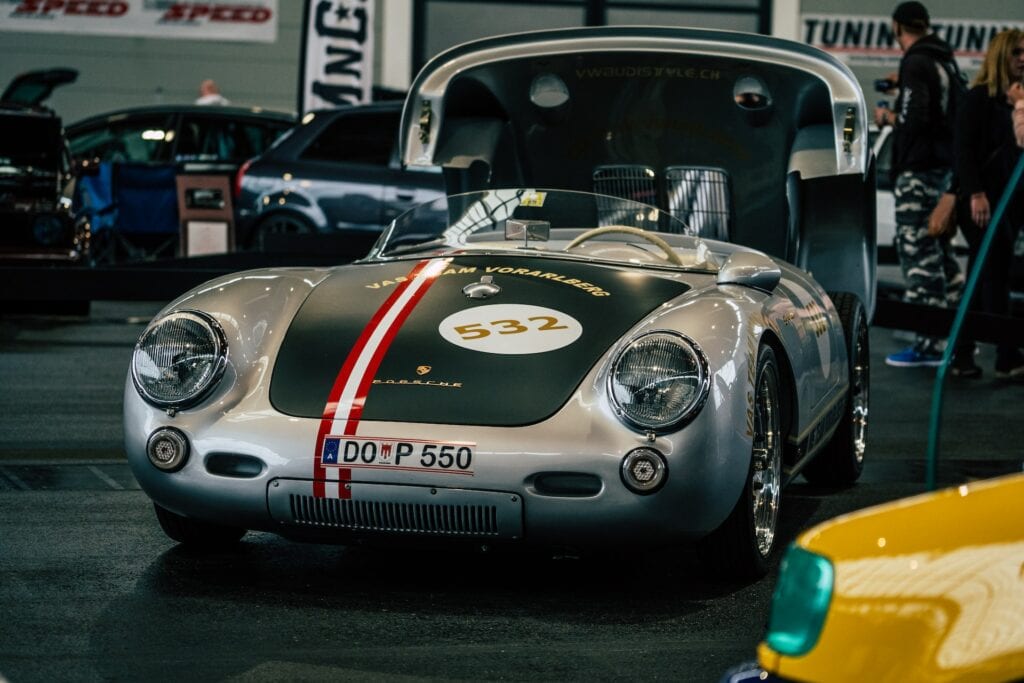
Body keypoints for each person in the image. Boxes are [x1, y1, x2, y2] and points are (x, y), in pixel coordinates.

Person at [875, 2, 965, 369]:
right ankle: (959, 340)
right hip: (942, 170)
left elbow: (916, 119)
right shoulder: (945, 60)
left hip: (919, 172)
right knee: (942, 260)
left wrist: (889, 116)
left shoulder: (915, 61)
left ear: (897, 27)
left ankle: (929, 346)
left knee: (918, 258)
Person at [952, 28, 1024, 379]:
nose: (1023, 59)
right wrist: (975, 194)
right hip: (981, 200)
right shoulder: (978, 98)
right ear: (1001, 56)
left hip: (1010, 200)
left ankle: (962, 353)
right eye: (1017, 53)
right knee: (993, 275)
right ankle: (1006, 355)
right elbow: (963, 151)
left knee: (982, 278)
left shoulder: (1017, 100)